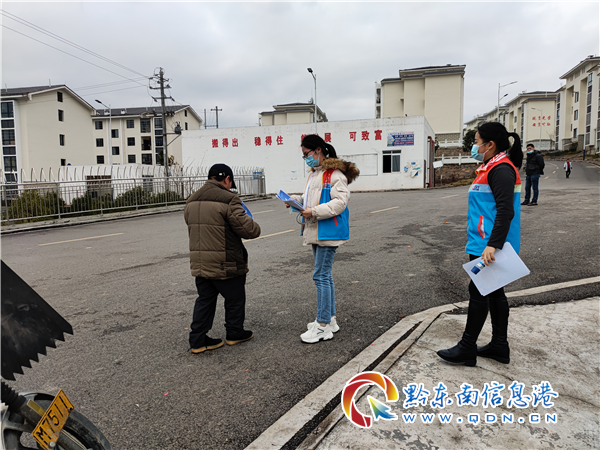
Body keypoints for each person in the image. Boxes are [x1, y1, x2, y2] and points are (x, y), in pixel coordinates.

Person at [437, 122, 523, 366]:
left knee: (479, 292)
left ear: (490, 144)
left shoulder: (501, 170)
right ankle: (499, 345)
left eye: (476, 142)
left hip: (489, 246)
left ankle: (467, 347)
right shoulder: (490, 167)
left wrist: (493, 245)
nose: (474, 146)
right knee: (494, 293)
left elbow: (505, 211)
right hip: (484, 242)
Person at [288, 134, 359, 344]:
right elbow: (311, 199)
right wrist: (296, 201)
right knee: (324, 276)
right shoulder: (315, 174)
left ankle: (322, 325)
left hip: (328, 230)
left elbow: (340, 202)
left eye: (307, 154)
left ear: (318, 150)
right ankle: (330, 319)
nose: (306, 159)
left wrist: (314, 212)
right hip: (317, 229)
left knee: (320, 276)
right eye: (303, 156)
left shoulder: (334, 174)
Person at [184, 163, 261, 354]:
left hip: (201, 262)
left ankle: (198, 340)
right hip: (226, 260)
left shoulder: (191, 199)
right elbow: (250, 230)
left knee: (205, 299)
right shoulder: (229, 199)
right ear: (227, 179)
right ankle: (235, 333)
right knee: (235, 298)